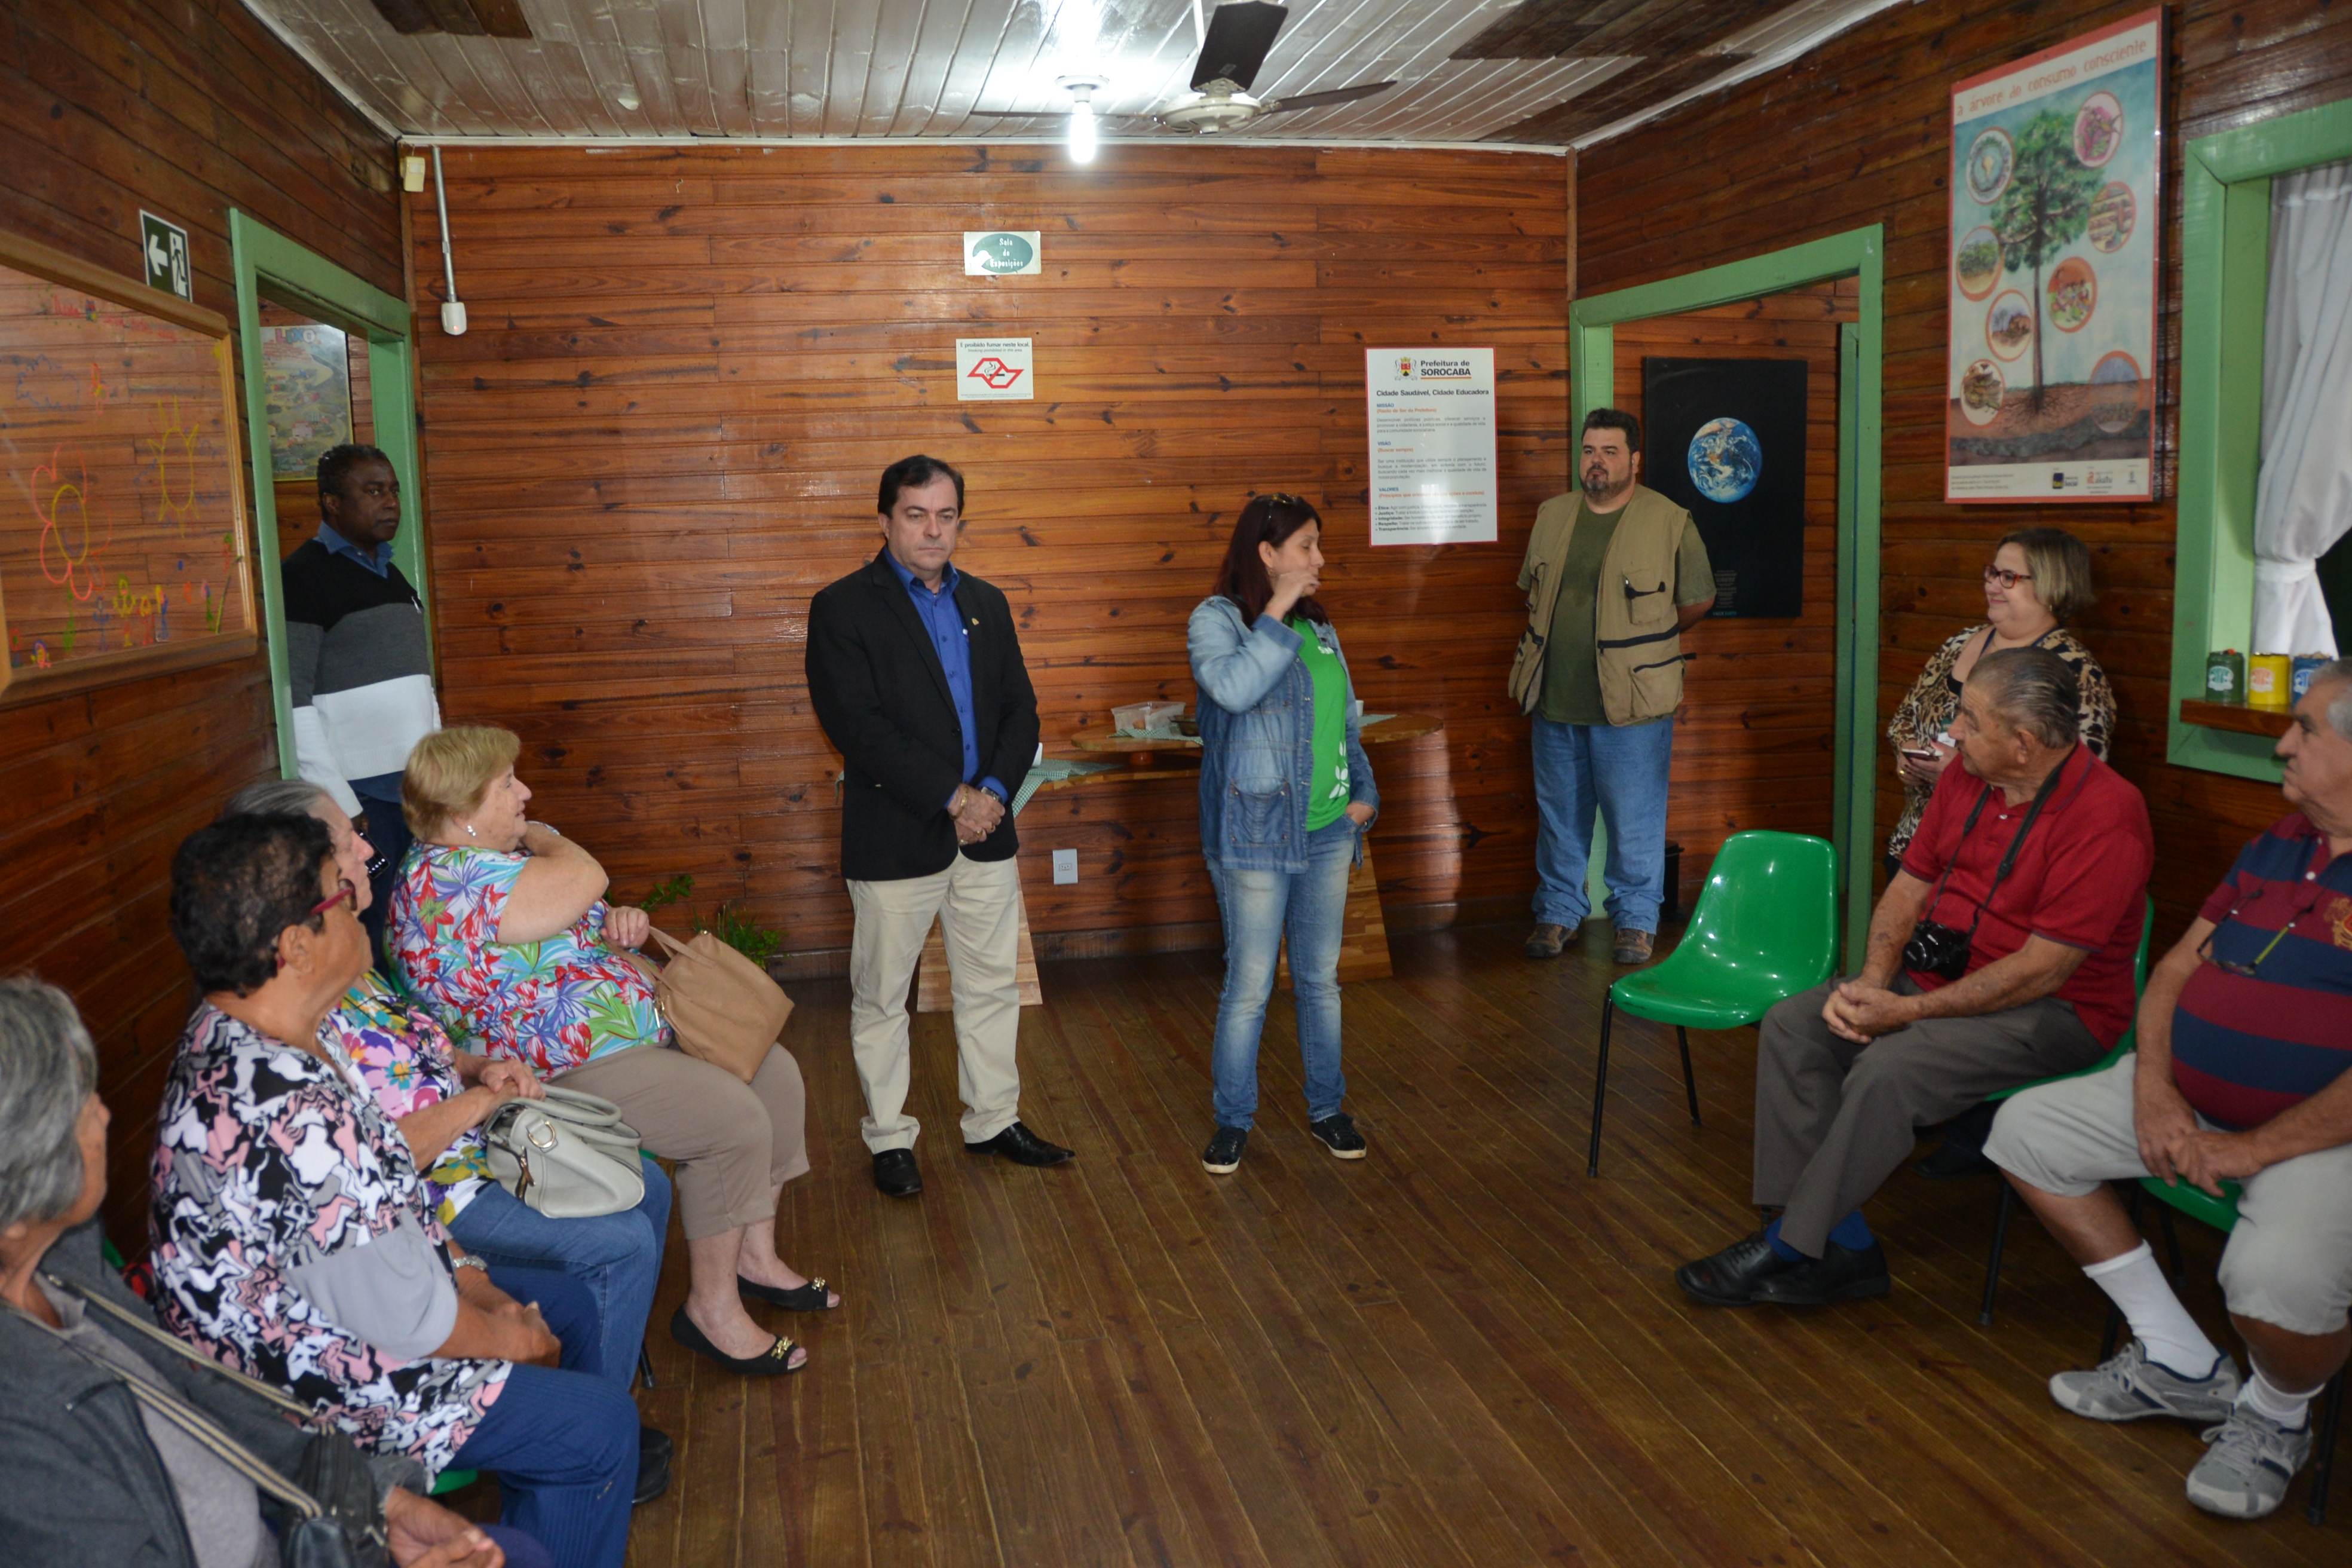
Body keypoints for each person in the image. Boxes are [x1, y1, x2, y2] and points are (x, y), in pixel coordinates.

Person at [150, 816, 639, 1568]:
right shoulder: (282, 1105)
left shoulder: (260, 1038)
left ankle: (539, 1519)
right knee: (599, 1425)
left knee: (567, 1312)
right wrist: (506, 1334)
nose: (357, 902)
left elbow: (388, 1195)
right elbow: (405, 1316)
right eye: (338, 896)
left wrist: (478, 1284)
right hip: (308, 1401)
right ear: (296, 947)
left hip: (341, 1321)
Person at [0, 976, 545, 1568]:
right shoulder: (18, 1423)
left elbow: (202, 1396)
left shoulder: (63, 1266)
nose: (104, 1113)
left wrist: (377, 1499)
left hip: (298, 1510)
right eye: (79, 1107)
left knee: (517, 1550)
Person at [1985, 660, 2352, 1521]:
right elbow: (2178, 969)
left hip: (2321, 1138)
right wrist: (2154, 1087)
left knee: (2268, 1281)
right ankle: (2178, 1357)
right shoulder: (2278, 843)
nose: (2283, 743)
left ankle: (2276, 1414)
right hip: (2190, 1102)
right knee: (2027, 1131)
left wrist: (2252, 1148)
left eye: (2305, 728)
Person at [1675, 647, 2151, 1307]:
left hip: (2052, 1013)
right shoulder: (1968, 777)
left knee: (1888, 1068)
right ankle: (1841, 1241)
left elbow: (2042, 971)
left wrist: (1906, 1015)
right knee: (1794, 1025)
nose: (1954, 731)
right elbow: (1908, 887)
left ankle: (1791, 1245)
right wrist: (1873, 983)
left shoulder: (2107, 815)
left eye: (1971, 721)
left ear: (2023, 744)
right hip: (1936, 982)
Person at [388, 727, 832, 1379]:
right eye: (507, 784)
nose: (524, 792)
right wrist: (544, 832)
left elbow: (574, 917)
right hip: (558, 1070)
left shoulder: (492, 861)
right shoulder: (446, 883)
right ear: (461, 813)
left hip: (632, 1029)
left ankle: (754, 1257)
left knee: (776, 1074)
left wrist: (620, 920)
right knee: (733, 1122)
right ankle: (711, 1310)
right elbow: (585, 875)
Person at [804, 454, 1071, 1199]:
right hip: (897, 837)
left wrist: (992, 794)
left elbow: (1021, 710)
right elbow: (857, 726)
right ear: (885, 519)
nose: (932, 530)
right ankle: (890, 1136)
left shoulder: (986, 601)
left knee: (990, 987)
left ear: (959, 521)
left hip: (986, 834)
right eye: (916, 514)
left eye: (946, 515)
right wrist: (955, 798)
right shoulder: (842, 608)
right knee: (882, 996)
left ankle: (993, 1119)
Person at [1889, 528, 2117, 1178]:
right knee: (1921, 972)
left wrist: (1965, 772)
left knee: (1983, 998)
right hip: (1923, 842)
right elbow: (1906, 718)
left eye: (2009, 576)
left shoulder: (2074, 673)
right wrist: (1911, 758)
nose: (1993, 584)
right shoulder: (1961, 643)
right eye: (1992, 571)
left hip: (2006, 867)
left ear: (2053, 585)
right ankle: (1907, 1103)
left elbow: (2075, 773)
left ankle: (1977, 1142)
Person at [1187, 495, 1382, 1175]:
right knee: (1250, 984)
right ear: (1267, 553)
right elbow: (1233, 690)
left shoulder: (1320, 625)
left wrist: (1364, 796)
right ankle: (1233, 1120)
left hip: (1329, 830)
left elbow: (1346, 721)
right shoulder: (1217, 620)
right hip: (1254, 835)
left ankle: (1327, 1109)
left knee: (1320, 980)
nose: (1319, 559)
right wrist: (1277, 608)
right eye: (1305, 546)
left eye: (1318, 544)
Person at [1511, 408, 1716, 966]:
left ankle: (1635, 922)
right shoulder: (1552, 515)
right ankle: (1558, 913)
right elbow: (1532, 591)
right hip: (1554, 699)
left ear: (1634, 460)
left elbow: (1698, 600)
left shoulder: (1669, 520)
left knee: (1635, 821)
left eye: (1609, 451)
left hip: (1634, 705)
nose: (1596, 462)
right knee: (1559, 819)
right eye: (1588, 451)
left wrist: (1641, 647)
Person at [283, 443, 440, 956]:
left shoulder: (391, 575)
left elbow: (419, 687)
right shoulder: (301, 577)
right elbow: (293, 702)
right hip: (363, 802)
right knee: (369, 927)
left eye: (393, 490)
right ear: (332, 503)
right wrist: (340, 806)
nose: (390, 502)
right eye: (373, 491)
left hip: (414, 792)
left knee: (416, 926)